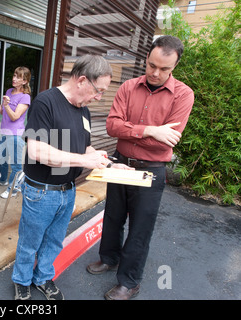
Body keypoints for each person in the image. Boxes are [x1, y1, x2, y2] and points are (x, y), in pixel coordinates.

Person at [12, 55, 131, 300]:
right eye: (98, 91)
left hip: (68, 189)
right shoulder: (45, 102)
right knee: (30, 241)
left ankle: (43, 277)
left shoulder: (83, 111)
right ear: (82, 81)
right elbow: (37, 151)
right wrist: (84, 161)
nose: (99, 97)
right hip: (41, 191)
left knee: (55, 240)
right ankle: (21, 281)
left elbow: (84, 149)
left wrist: (109, 163)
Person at [86, 36, 194, 300]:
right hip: (120, 161)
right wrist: (150, 130)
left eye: (164, 69)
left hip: (151, 168)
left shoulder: (183, 94)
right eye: (151, 65)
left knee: (140, 227)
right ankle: (109, 257)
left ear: (175, 67)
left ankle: (130, 281)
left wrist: (134, 131)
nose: (156, 73)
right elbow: (112, 126)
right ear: (147, 58)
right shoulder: (128, 87)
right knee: (112, 216)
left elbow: (165, 143)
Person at [0, 67, 31, 199]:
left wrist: (6, 105)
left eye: (18, 77)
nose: (14, 79)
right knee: (2, 159)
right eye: (14, 75)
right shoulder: (9, 92)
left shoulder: (25, 97)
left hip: (16, 135)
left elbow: (14, 117)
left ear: (24, 81)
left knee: (17, 165)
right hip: (4, 132)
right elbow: (3, 112)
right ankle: (3, 180)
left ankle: (13, 188)